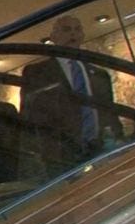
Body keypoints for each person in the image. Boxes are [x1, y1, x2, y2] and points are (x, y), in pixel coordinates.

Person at [20, 15, 123, 175]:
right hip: (61, 158)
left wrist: (118, 142)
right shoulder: (37, 73)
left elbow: (110, 112)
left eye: (77, 30)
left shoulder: (99, 74)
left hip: (101, 152)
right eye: (66, 30)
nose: (73, 35)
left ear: (82, 35)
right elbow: (29, 117)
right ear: (54, 37)